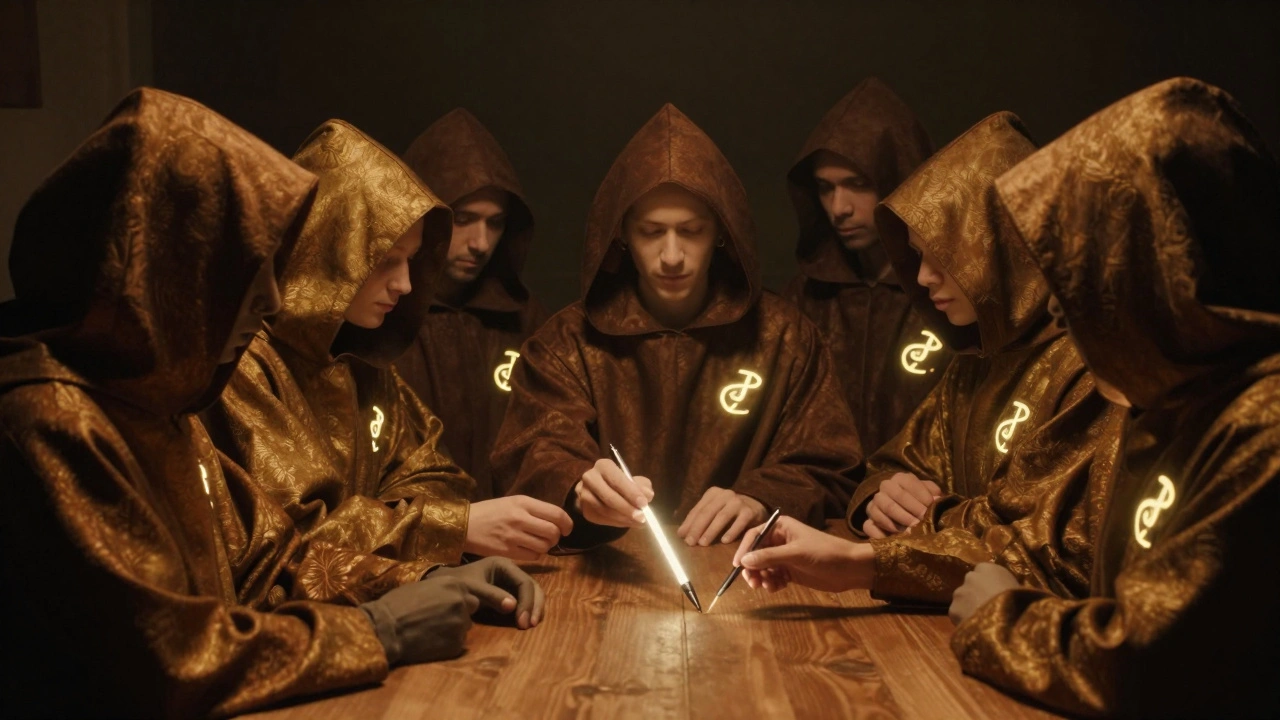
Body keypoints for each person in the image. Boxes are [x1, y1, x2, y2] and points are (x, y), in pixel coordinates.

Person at [0, 88, 541, 719]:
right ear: (167, 273)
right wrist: (379, 629)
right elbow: (167, 662)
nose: (270, 300)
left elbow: (270, 559)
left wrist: (424, 580)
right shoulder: (53, 417)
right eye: (243, 275)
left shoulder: (158, 403)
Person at [948, 77, 1280, 718]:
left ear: (1159, 272)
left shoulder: (1262, 424)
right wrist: (871, 556)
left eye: (1085, 276)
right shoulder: (1177, 398)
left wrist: (1002, 620)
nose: (1059, 312)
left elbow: (1159, 667)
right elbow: (1066, 556)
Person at [728, 112, 1124, 608]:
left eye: (944, 256)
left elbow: (1040, 546)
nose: (923, 278)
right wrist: (882, 495)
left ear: (1000, 246)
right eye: (918, 257)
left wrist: (913, 529)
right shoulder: (978, 355)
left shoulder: (1093, 369)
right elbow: (899, 461)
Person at [492, 104, 861, 549]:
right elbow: (530, 454)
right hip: (604, 577)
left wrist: (761, 498)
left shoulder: (786, 337)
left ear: (721, 232)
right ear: (621, 234)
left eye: (691, 231)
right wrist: (579, 488)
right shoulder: (566, 343)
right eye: (652, 232)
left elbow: (829, 465)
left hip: (746, 568)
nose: (671, 256)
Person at [204, 119, 573, 564]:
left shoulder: (362, 358)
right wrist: (445, 527)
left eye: (411, 261)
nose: (405, 284)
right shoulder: (244, 366)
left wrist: (405, 523)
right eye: (386, 260)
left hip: (393, 596)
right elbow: (292, 537)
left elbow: (437, 473)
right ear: (331, 249)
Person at [784, 77, 952, 466]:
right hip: (820, 499)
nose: (838, 207)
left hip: (921, 497)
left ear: (901, 180)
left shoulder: (949, 297)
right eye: (825, 188)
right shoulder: (804, 300)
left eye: (858, 184)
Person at [395, 108, 547, 500]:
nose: (480, 242)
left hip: (518, 529)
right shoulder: (380, 317)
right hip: (412, 532)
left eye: (494, 223)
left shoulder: (526, 320)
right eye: (462, 218)